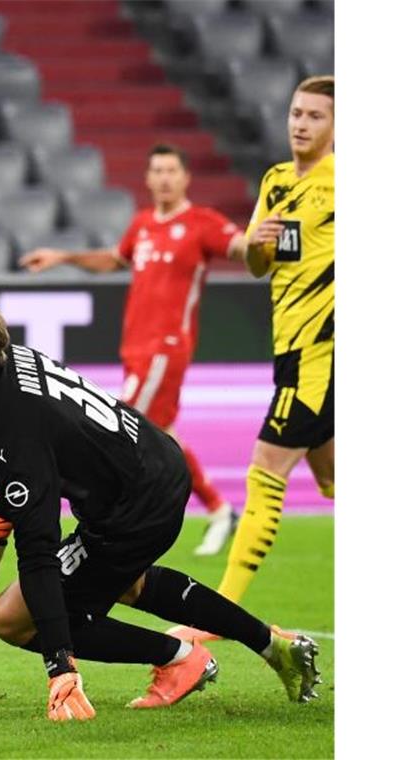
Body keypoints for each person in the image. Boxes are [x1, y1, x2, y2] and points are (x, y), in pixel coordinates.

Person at [0, 293, 320, 721]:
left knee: (12, 619)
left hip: (135, 504)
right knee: (127, 582)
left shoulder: (14, 420)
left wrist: (60, 669)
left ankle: (180, 658)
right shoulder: (5, 363)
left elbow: (38, 553)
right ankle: (274, 646)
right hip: (156, 463)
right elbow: (27, 475)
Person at [19, 145, 247, 556]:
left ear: (185, 178)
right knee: (162, 435)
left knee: (118, 428)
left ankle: (110, 521)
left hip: (166, 348)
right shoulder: (142, 224)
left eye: (171, 170)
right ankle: (219, 510)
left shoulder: (201, 223)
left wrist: (270, 239)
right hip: (136, 348)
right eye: (156, 170)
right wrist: (63, 257)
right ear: (147, 178)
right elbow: (113, 260)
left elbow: (242, 247)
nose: (163, 177)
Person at [204, 75, 335, 606]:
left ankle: (218, 610)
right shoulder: (276, 180)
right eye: (296, 114)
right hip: (288, 346)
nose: (301, 124)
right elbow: (260, 265)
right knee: (333, 478)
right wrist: (257, 243)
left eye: (315, 116)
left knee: (265, 468)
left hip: (320, 352)